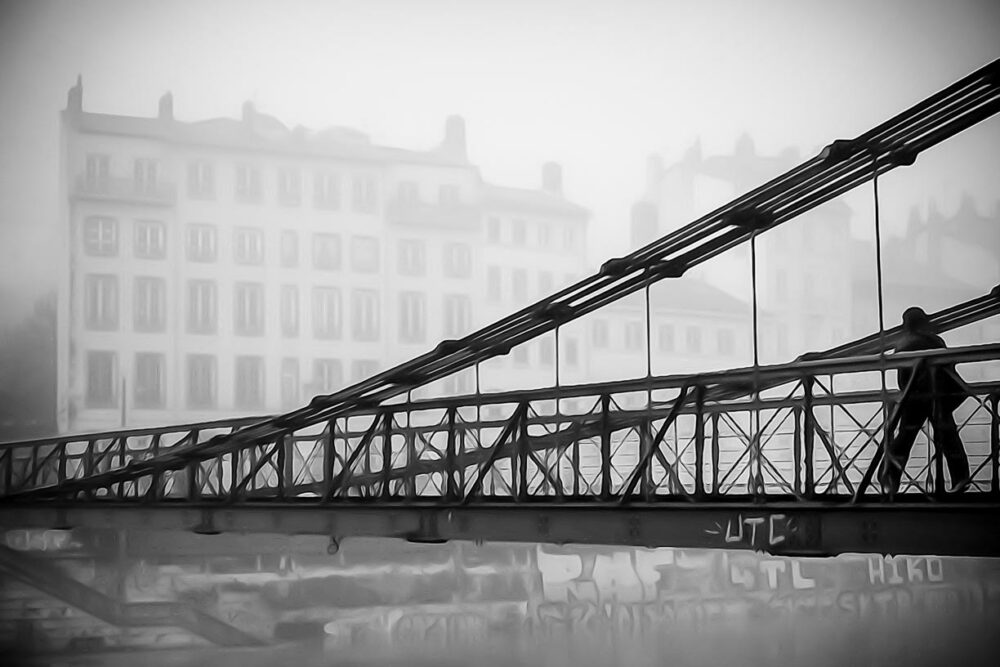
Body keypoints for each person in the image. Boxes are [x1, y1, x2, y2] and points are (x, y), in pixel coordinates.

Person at [880, 307, 970, 496]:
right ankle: (960, 479)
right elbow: (949, 367)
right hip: (938, 397)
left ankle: (889, 478)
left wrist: (909, 392)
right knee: (948, 438)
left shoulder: (903, 344)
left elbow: (902, 380)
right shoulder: (934, 340)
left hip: (915, 399)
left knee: (904, 438)